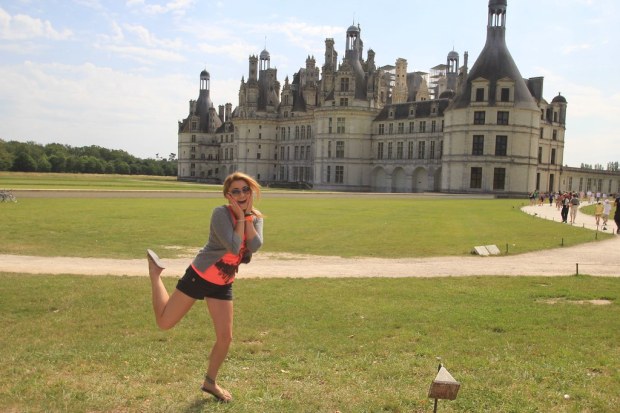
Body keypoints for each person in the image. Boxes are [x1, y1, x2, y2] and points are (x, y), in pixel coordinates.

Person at [146, 171, 264, 403]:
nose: (241, 194)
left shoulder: (256, 217)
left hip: (223, 283)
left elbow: (256, 245)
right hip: (200, 276)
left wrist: (248, 217)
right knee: (164, 323)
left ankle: (210, 382)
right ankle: (155, 275)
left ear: (251, 192)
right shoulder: (220, 213)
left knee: (225, 337)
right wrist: (240, 218)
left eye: (245, 190)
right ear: (228, 195)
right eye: (236, 191)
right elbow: (232, 247)